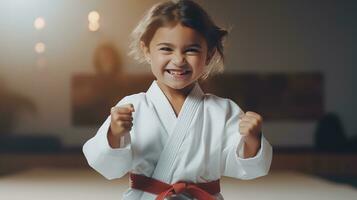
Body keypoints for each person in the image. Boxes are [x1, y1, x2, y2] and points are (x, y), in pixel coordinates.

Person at [83, 1, 273, 199]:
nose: (178, 60)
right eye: (166, 49)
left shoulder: (223, 110)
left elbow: (250, 169)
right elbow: (107, 168)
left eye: (191, 50)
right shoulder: (133, 107)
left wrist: (252, 140)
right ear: (147, 50)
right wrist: (114, 135)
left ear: (209, 54)